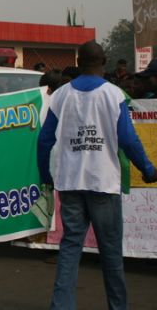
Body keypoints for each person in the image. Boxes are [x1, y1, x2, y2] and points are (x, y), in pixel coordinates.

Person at [37, 40, 157, 310]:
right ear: (104, 63)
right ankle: (117, 306)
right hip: (102, 183)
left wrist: (46, 175)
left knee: (70, 247)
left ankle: (61, 306)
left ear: (78, 63)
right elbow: (128, 139)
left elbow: (44, 141)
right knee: (111, 253)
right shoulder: (113, 94)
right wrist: (147, 169)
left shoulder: (61, 95)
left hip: (69, 183)